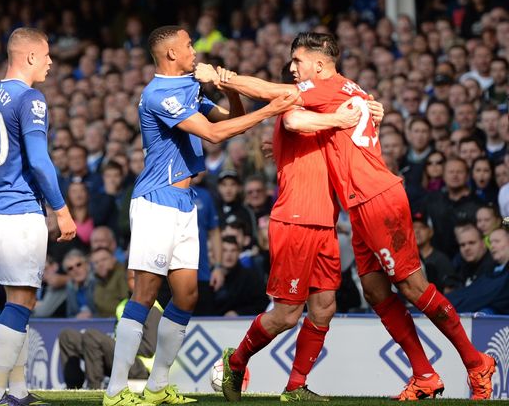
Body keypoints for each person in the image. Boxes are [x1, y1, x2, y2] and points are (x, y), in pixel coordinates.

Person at [212, 32, 497, 400]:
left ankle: (476, 364)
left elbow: (278, 97)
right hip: (354, 206)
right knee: (376, 291)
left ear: (318, 64)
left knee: (413, 287)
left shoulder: (327, 86)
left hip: (375, 197)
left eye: (297, 62)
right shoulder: (350, 92)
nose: (294, 69)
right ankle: (424, 374)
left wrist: (226, 77)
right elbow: (299, 121)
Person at [104, 25, 295, 406]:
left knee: (188, 296)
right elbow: (214, 134)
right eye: (189, 45)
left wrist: (232, 90)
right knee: (144, 293)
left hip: (184, 201)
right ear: (171, 54)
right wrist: (271, 109)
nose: (195, 49)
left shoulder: (188, 88)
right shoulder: (158, 94)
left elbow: (231, 119)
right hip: (157, 199)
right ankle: (115, 391)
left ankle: (158, 388)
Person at [204, 63, 364, 402]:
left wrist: (369, 107)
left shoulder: (324, 112)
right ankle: (236, 360)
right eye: (294, 75)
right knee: (288, 315)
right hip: (295, 221)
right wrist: (340, 119)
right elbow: (292, 120)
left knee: (324, 307)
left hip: (324, 223)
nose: (299, 79)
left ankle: (296, 387)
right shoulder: (294, 108)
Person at [0, 28, 76, 406]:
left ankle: (16, 390)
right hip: (18, 210)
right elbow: (38, 160)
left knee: (17, 300)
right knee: (21, 301)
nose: (51, 61)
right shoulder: (31, 98)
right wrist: (62, 211)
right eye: (47, 54)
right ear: (31, 56)